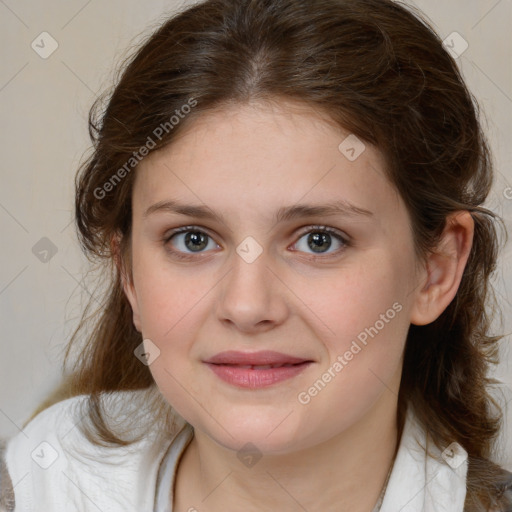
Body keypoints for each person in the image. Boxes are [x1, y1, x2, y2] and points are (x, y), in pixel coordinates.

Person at [1, 0, 511, 510]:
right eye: (193, 239)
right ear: (128, 272)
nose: (247, 306)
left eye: (318, 240)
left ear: (435, 271)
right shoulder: (37, 484)